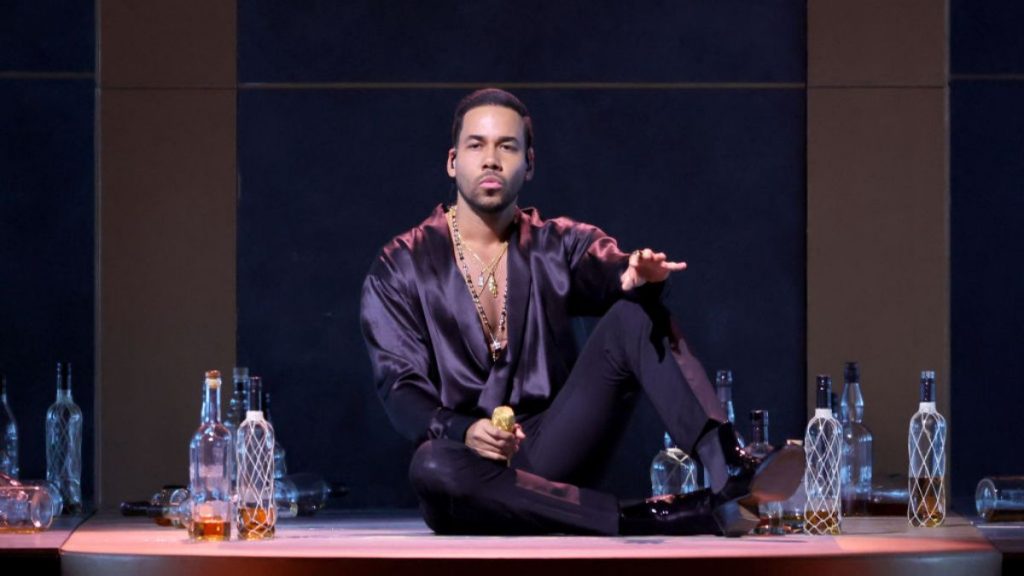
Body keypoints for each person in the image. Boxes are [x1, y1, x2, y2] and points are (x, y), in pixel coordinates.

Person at [360, 88, 802, 536]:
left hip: (553, 449)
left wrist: (631, 275)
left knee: (635, 312)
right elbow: (400, 388)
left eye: (507, 147)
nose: (491, 160)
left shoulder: (557, 243)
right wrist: (464, 431)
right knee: (431, 463)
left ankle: (728, 466)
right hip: (469, 468)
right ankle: (653, 516)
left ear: (529, 163)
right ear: (453, 162)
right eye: (477, 145)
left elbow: (606, 266)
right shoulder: (401, 264)